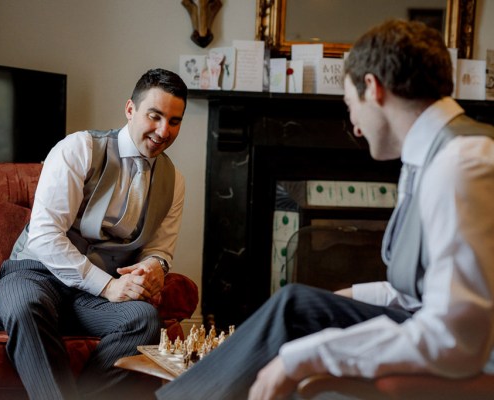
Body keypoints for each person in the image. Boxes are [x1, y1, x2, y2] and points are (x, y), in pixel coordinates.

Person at [156, 19, 494, 400]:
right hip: (441, 326)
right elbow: (425, 292)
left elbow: (457, 336)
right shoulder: (434, 156)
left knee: (294, 314)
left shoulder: (461, 163)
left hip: (473, 351)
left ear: (373, 88)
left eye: (350, 106)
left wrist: (302, 357)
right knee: (296, 302)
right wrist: (348, 295)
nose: (356, 126)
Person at [0, 68, 188, 399]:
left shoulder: (175, 181)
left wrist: (154, 267)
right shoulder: (79, 148)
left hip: (92, 298)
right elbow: (44, 235)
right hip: (36, 274)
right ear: (130, 110)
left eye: (174, 121)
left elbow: (160, 250)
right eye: (155, 116)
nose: (163, 131)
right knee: (24, 307)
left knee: (144, 319)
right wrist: (109, 286)